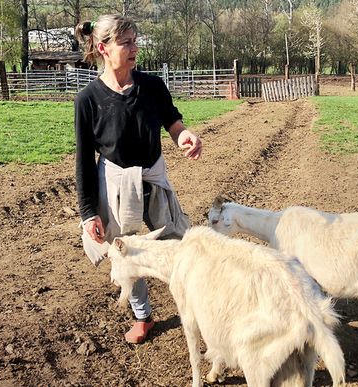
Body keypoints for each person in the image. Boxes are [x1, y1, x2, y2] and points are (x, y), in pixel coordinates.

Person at [74, 15, 202, 344]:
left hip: (153, 175)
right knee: (125, 252)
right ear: (103, 48)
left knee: (180, 240)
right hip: (115, 184)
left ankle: (200, 305)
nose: (135, 48)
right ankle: (143, 316)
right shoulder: (88, 100)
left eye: (135, 40)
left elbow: (173, 122)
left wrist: (184, 136)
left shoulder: (152, 87)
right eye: (126, 42)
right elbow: (84, 159)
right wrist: (89, 213)